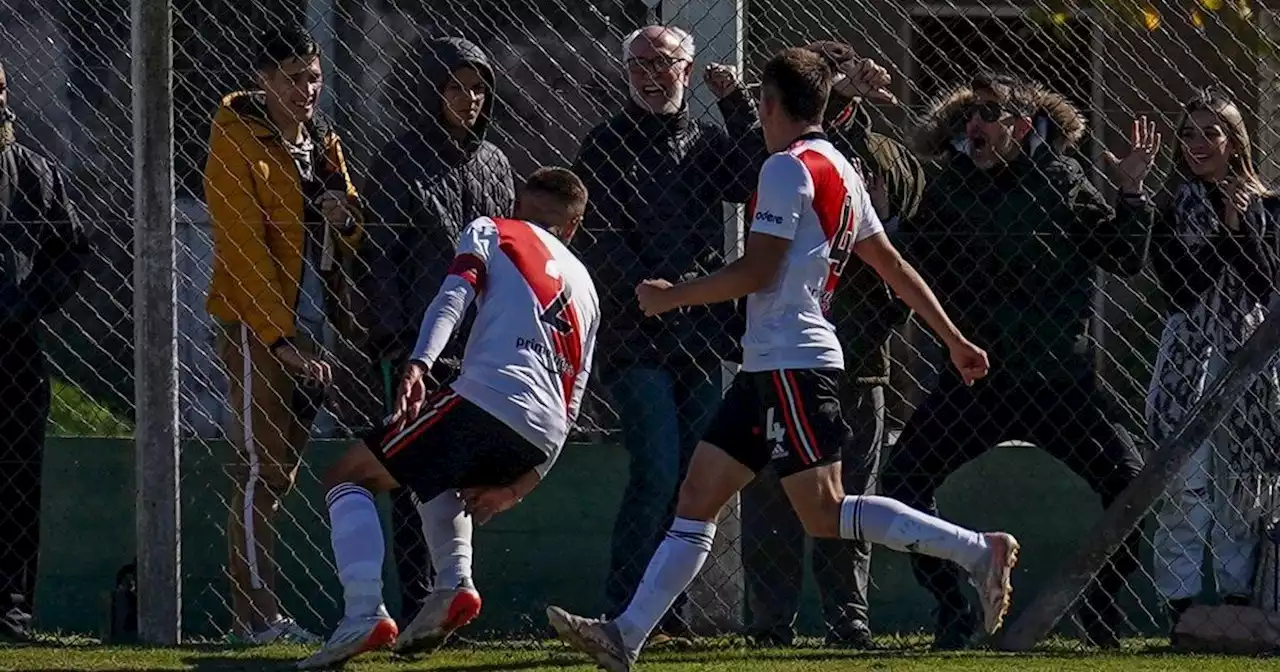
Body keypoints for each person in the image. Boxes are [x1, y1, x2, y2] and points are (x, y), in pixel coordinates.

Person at [546, 48, 1019, 672]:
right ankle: (625, 636)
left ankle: (977, 550)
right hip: (768, 365)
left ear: (770, 105)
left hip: (794, 363)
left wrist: (674, 296)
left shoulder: (786, 168)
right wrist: (954, 338)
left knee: (823, 513)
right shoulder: (841, 169)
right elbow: (895, 269)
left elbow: (760, 267)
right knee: (696, 496)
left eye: (760, 103)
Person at [880, 71, 1158, 649]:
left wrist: (1131, 195)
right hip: (974, 381)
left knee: (1131, 484)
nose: (973, 127)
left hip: (1059, 380)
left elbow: (1124, 256)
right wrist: (889, 226)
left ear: (1021, 126)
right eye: (967, 118)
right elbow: (913, 264)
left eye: (988, 116)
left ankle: (1100, 608)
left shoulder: (1060, 179)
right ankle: (954, 610)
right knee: (902, 481)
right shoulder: (952, 185)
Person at [298, 167, 599, 669]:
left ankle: (362, 613)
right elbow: (574, 395)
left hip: (489, 397)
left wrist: (420, 362)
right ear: (573, 227)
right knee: (433, 472)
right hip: (541, 434)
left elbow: (454, 292)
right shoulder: (587, 285)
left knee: (346, 476)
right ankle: (453, 586)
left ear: (520, 206)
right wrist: (522, 484)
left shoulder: (495, 228)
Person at [572, 24, 765, 637]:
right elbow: (598, 239)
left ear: (688, 69)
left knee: (691, 478)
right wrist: (653, 293)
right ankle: (623, 607)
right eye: (638, 66)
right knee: (655, 468)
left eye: (663, 63)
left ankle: (665, 612)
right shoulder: (604, 146)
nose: (651, 76)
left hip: (702, 333)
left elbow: (755, 175)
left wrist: (735, 104)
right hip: (637, 333)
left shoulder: (706, 141)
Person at [738, 41, 924, 649]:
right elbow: (753, 171)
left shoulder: (870, 154)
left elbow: (896, 228)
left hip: (858, 350)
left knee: (845, 495)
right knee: (771, 489)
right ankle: (770, 621)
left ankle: (849, 617)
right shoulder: (778, 154)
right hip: (785, 351)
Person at [204, 25, 364, 644]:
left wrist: (345, 217)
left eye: (315, 78)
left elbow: (350, 224)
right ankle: (256, 615)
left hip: (318, 322)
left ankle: (260, 614)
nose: (307, 90)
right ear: (264, 79)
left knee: (281, 474)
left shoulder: (323, 141)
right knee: (257, 470)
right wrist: (280, 339)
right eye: (294, 78)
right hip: (260, 326)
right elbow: (242, 250)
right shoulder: (236, 138)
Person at [358, 35, 515, 627]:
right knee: (412, 475)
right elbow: (380, 256)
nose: (469, 99)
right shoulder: (399, 160)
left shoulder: (494, 161)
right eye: (455, 87)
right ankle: (417, 598)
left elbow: (503, 253)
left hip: (479, 346)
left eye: (478, 88)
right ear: (429, 91)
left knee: (467, 477)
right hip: (415, 347)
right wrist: (397, 343)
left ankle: (455, 598)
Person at [1146, 90, 1280, 643]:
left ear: (1234, 141)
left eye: (1211, 133)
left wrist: (1241, 223)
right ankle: (1178, 603)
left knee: (1244, 484)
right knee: (1186, 480)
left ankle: (1236, 595)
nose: (1198, 144)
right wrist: (1225, 227)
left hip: (1248, 349)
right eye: (1190, 133)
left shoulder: (1267, 203)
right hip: (1189, 352)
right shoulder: (1173, 204)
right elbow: (1181, 288)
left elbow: (1264, 282)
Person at [0, 62, 88, 642]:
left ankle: (8, 607)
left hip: (12, 347)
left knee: (13, 476)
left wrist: (24, 306)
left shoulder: (32, 170)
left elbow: (71, 251)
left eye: (1, 88)